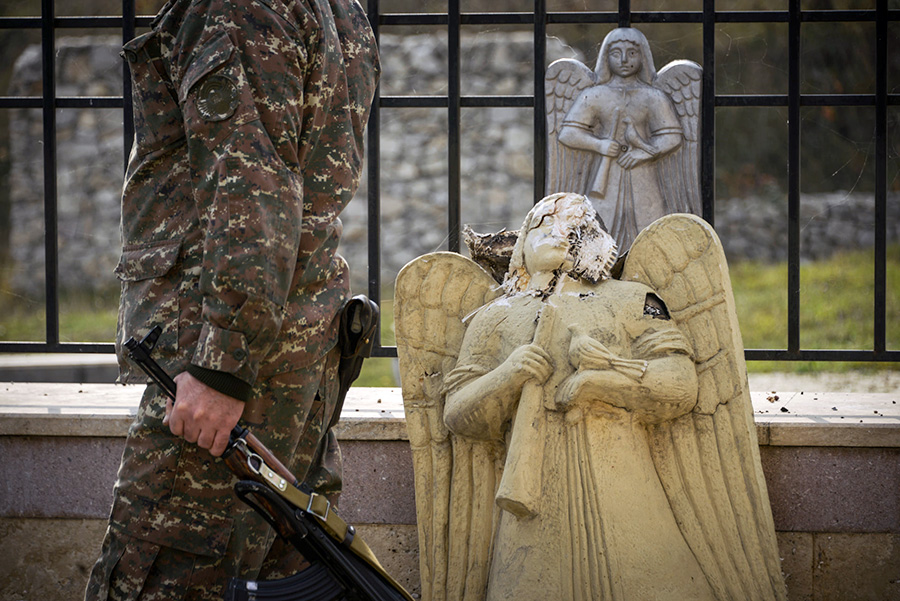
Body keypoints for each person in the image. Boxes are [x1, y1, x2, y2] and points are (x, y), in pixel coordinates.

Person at [84, 0, 379, 598]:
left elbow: (250, 187)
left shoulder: (232, 7)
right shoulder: (333, 6)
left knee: (157, 578)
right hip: (294, 346)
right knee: (272, 572)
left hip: (225, 364)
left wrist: (221, 368)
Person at [441, 193, 714, 599]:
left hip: (624, 488)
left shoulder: (630, 298)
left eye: (573, 224)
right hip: (532, 498)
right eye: (543, 223)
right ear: (521, 244)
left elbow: (680, 383)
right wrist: (508, 375)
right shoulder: (493, 317)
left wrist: (602, 380)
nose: (557, 231)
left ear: (594, 237)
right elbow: (457, 415)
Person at [555, 27, 685, 251]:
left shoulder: (654, 97)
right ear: (606, 57)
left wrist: (643, 153)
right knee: (596, 237)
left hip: (644, 178)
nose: (624, 59)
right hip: (604, 181)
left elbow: (672, 136)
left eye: (632, 53)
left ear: (642, 56)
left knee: (652, 235)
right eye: (616, 53)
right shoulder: (594, 96)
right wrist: (599, 144)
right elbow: (568, 133)